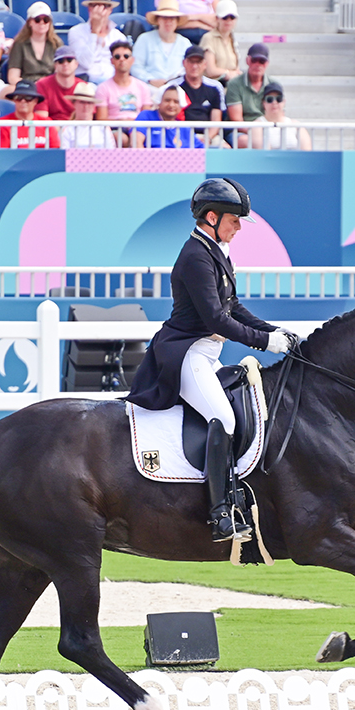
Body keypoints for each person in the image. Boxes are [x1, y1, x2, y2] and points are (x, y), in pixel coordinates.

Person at [126, 178, 293, 543]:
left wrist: (275, 331)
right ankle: (219, 512)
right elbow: (218, 320)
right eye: (234, 220)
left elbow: (233, 307)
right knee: (223, 416)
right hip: (185, 353)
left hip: (206, 353)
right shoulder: (195, 255)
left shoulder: (216, 250)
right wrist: (266, 342)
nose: (238, 228)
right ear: (212, 216)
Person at [132, 0, 190, 87]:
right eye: (164, 18)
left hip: (178, 89)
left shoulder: (185, 43)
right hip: (148, 87)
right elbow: (135, 66)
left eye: (172, 18)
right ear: (158, 20)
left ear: (177, 21)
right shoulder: (144, 39)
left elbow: (188, 68)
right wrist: (150, 79)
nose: (168, 22)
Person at [69, 0, 126, 86]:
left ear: (110, 10)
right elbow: (85, 63)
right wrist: (94, 32)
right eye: (96, 6)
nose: (100, 11)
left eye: (104, 6)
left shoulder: (119, 36)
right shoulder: (76, 31)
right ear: (89, 9)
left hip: (112, 84)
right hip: (86, 83)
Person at [172, 43, 223, 144]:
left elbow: (216, 121)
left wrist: (207, 139)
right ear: (184, 63)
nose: (194, 66)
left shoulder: (215, 87)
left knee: (226, 150)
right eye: (191, 62)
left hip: (207, 136)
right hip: (179, 134)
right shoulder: (173, 87)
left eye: (198, 62)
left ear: (205, 64)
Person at [225, 41, 270, 147]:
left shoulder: (273, 85)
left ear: (267, 64)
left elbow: (277, 115)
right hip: (241, 132)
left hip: (267, 129)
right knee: (251, 142)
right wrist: (258, 133)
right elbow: (237, 121)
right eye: (254, 60)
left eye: (262, 61)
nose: (258, 64)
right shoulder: (234, 84)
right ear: (247, 61)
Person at [95, 39, 153, 120]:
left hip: (137, 129)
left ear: (132, 60)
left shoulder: (143, 87)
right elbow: (101, 119)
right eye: (117, 57)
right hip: (112, 130)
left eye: (126, 56)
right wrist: (120, 122)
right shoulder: (103, 88)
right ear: (112, 61)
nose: (122, 59)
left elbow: (147, 118)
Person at [6, 1, 60, 87]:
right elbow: (13, 77)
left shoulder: (56, 44)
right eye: (37, 20)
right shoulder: (19, 44)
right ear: (30, 22)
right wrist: (33, 85)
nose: (42, 23)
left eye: (46, 20)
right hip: (27, 87)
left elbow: (60, 74)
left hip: (50, 87)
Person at [0, 79, 59, 147]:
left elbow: (55, 150)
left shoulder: (46, 122)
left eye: (28, 97)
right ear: (14, 100)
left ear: (35, 101)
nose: (23, 101)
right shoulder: (3, 123)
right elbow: (3, 153)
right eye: (18, 97)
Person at [132, 83, 201, 147]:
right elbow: (136, 142)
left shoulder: (184, 128)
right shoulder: (146, 116)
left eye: (176, 102)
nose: (171, 105)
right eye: (167, 100)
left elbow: (201, 150)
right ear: (159, 101)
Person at [249, 80, 310, 151]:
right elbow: (263, 153)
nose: (274, 102)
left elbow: (307, 151)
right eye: (269, 99)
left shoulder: (296, 125)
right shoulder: (257, 125)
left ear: (284, 102)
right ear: (263, 103)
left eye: (279, 99)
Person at [59, 80, 116, 148]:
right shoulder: (66, 130)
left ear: (93, 106)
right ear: (74, 104)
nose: (86, 106)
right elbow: (63, 154)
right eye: (82, 102)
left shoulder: (103, 128)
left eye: (89, 103)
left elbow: (111, 152)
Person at [200, 0, 240, 84]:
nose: (228, 21)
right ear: (217, 19)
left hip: (230, 84)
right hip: (213, 85)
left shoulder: (233, 39)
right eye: (225, 17)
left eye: (232, 17)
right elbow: (210, 71)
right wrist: (228, 73)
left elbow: (236, 68)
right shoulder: (209, 38)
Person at [36, 44, 79, 121]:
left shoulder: (83, 86)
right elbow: (42, 119)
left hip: (75, 130)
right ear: (55, 65)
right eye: (61, 61)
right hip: (51, 130)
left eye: (69, 60)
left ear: (76, 64)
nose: (65, 64)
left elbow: (87, 118)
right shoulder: (42, 85)